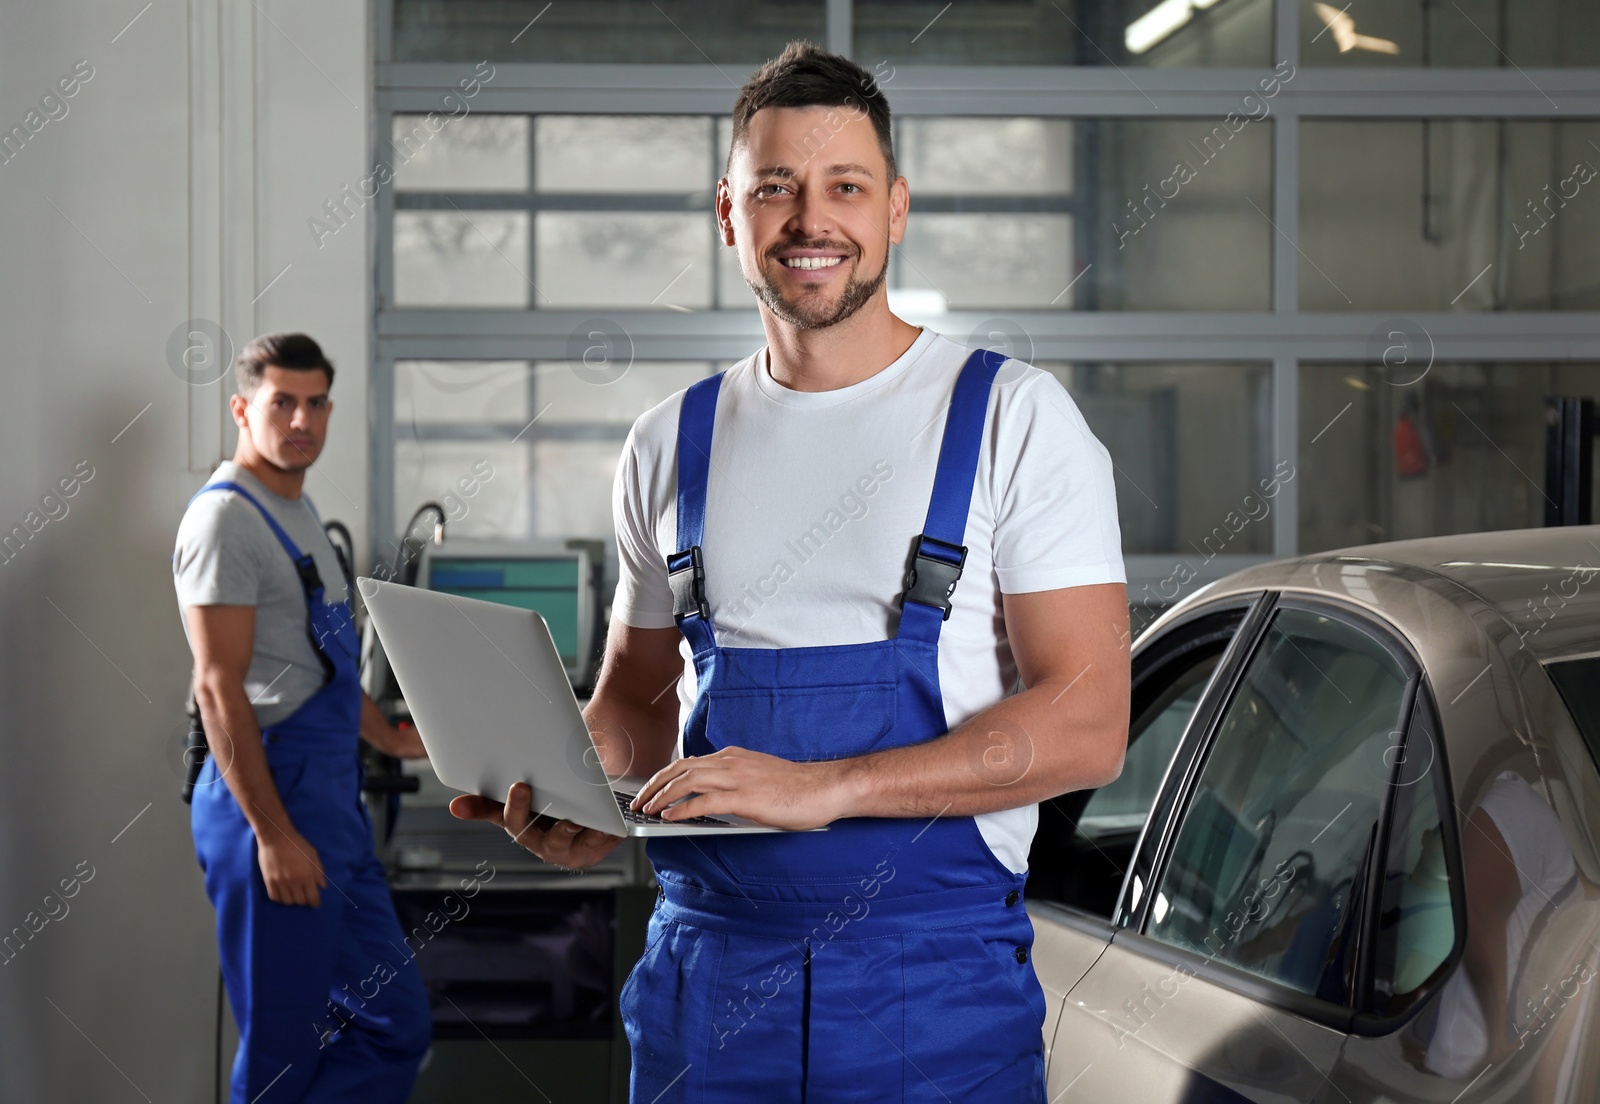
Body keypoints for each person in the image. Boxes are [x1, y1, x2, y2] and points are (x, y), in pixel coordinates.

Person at [451, 41, 1131, 1102]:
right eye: (774, 189)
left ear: (895, 209)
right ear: (727, 214)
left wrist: (829, 790)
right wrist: (577, 791)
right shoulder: (669, 441)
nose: (811, 222)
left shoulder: (1010, 419)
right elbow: (634, 699)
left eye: (844, 188)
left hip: (932, 995)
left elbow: (1087, 720)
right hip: (708, 993)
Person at [173, 333, 433, 1103]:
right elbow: (220, 689)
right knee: (283, 1049)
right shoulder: (226, 521)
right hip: (270, 797)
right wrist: (274, 835)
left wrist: (388, 737)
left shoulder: (297, 508)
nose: (301, 420)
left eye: (316, 402)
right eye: (281, 401)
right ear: (242, 408)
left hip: (329, 800)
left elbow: (315, 663)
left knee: (394, 1021)